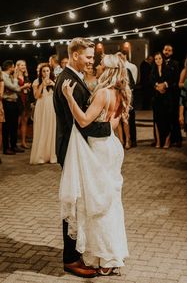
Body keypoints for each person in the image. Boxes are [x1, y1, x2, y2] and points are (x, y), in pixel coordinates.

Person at [60, 53, 131, 276]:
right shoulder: (120, 94)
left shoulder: (103, 93)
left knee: (97, 203)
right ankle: (110, 255)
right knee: (109, 202)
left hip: (98, 150)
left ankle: (104, 256)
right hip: (111, 146)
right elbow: (113, 124)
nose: (97, 66)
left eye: (101, 64)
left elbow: (82, 120)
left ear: (108, 69)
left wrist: (69, 97)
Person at [54, 38, 114, 278]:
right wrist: (109, 127)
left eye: (92, 57)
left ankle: (75, 251)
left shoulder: (72, 77)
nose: (92, 61)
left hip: (74, 147)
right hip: (71, 148)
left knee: (77, 200)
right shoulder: (68, 81)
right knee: (73, 200)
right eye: (88, 57)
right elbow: (82, 124)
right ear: (75, 55)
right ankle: (70, 258)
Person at [2, 60, 31, 155]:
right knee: (7, 126)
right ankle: (6, 147)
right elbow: (14, 87)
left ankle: (14, 146)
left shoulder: (10, 76)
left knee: (14, 125)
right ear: (10, 67)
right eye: (13, 66)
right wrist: (16, 81)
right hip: (8, 102)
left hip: (14, 102)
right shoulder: (4, 76)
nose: (14, 68)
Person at [30, 63, 57, 164]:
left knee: (51, 129)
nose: (46, 73)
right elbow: (36, 96)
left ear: (50, 71)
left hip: (51, 107)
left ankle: (52, 156)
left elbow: (59, 95)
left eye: (47, 71)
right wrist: (42, 85)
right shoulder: (36, 82)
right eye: (44, 71)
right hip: (41, 107)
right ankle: (40, 156)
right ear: (41, 73)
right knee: (41, 129)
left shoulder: (54, 81)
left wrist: (53, 84)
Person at [151, 52, 172, 148]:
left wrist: (164, 85)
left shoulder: (167, 69)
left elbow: (171, 80)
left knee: (167, 119)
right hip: (156, 99)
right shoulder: (153, 70)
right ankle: (158, 141)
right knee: (157, 120)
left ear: (162, 59)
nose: (158, 60)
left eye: (159, 58)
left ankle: (167, 141)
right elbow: (150, 82)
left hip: (166, 98)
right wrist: (156, 87)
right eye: (156, 59)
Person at [163, 44, 182, 147]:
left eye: (169, 50)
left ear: (172, 52)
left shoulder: (175, 64)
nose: (167, 52)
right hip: (162, 97)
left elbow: (176, 79)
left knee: (174, 118)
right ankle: (163, 139)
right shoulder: (159, 63)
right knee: (164, 119)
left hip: (173, 96)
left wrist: (166, 85)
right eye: (165, 50)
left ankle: (177, 139)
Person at [15, 60, 31, 149]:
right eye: (21, 65)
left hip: (26, 100)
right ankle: (13, 142)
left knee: (24, 122)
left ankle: (23, 142)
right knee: (17, 122)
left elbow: (28, 89)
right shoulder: (15, 77)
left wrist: (28, 88)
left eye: (24, 65)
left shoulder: (26, 77)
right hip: (18, 100)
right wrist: (24, 87)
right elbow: (15, 89)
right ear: (17, 66)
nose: (23, 66)